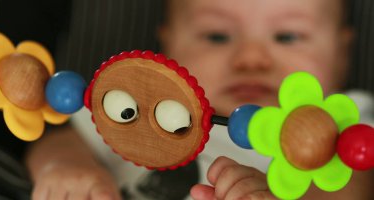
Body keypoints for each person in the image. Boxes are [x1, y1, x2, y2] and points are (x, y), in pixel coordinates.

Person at [24, 0, 374, 200]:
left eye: (287, 36)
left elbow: (355, 186)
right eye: (217, 36)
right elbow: (61, 139)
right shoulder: (135, 107)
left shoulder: (343, 121)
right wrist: (64, 167)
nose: (250, 58)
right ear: (170, 44)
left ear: (343, 50)